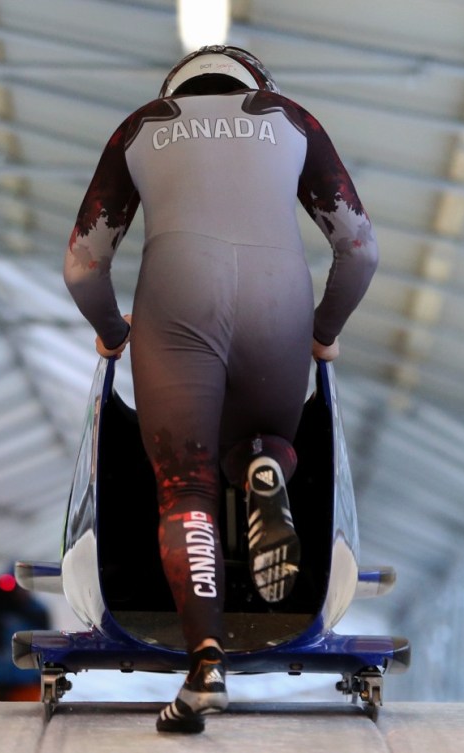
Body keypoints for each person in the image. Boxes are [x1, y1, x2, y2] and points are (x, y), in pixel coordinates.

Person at [63, 45, 378, 733]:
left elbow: (85, 264)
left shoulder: (140, 127)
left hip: (177, 301)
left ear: (176, 87)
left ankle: (205, 665)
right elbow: (358, 247)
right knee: (258, 433)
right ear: (256, 84)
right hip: (279, 303)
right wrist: (322, 330)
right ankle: (267, 460)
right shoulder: (293, 120)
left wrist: (114, 329)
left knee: (185, 487)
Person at [0, 571, 52, 701]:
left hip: (27, 683)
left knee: (25, 714)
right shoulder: (2, 614)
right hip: (4, 681)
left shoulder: (34, 613)